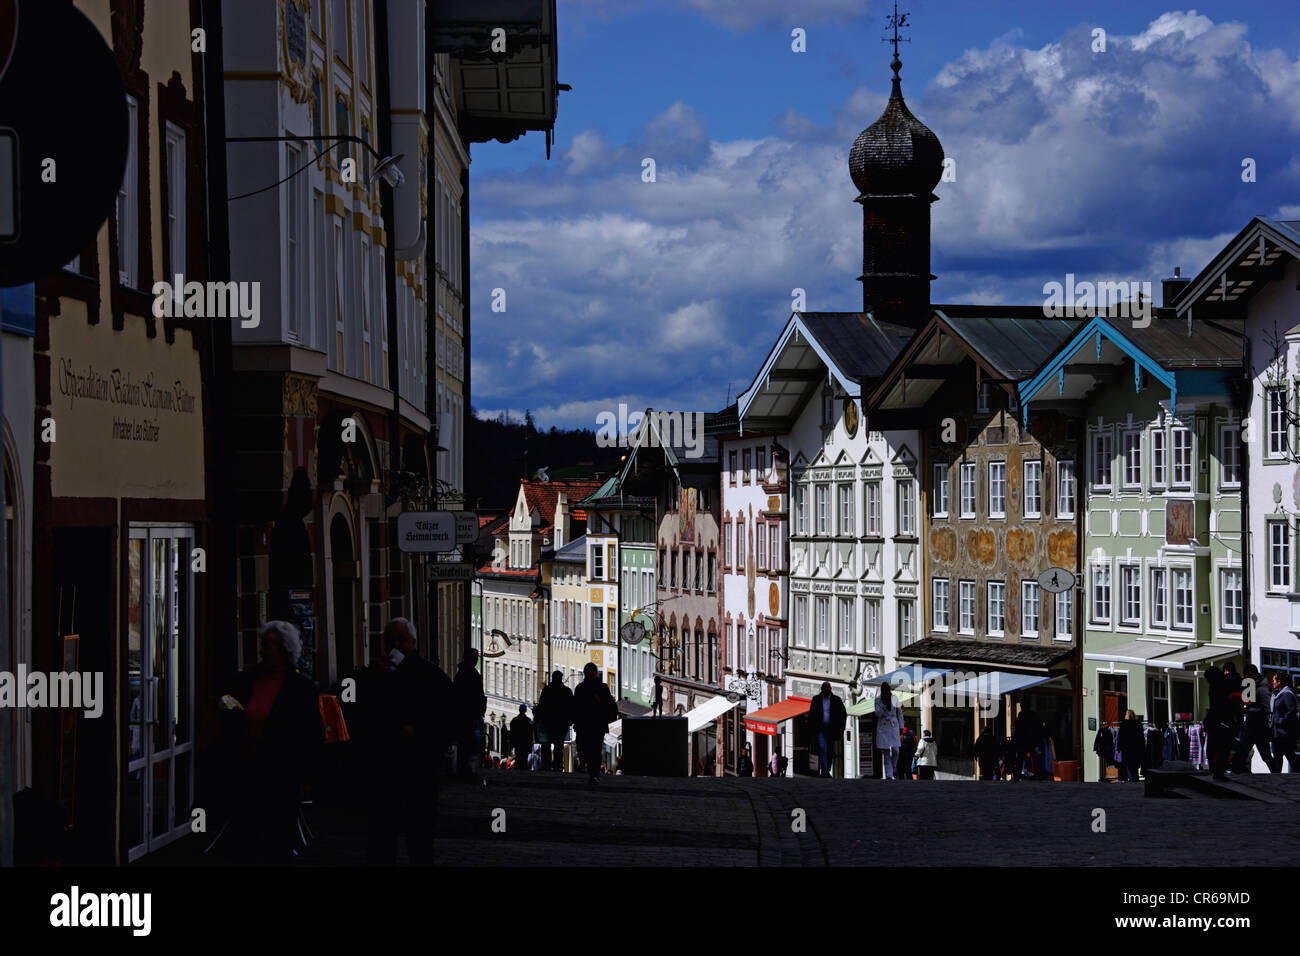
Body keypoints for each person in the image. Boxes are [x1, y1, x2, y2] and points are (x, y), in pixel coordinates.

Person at [224, 621, 324, 861]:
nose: (262, 651)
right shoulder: (247, 679)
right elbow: (231, 706)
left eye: (268, 646)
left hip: (281, 770)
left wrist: (308, 776)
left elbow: (311, 733)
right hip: (249, 765)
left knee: (278, 838)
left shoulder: (300, 687)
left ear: (284, 650)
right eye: (262, 645)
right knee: (248, 837)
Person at [366, 617, 454, 864]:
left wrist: (420, 731)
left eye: (402, 640)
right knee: (382, 837)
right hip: (384, 769)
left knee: (420, 836)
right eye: (390, 640)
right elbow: (361, 712)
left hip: (420, 768)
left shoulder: (431, 675)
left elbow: (449, 719)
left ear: (413, 643)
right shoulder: (373, 675)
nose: (396, 645)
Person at [572, 663, 618, 786]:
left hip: (589, 724)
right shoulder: (599, 688)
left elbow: (575, 708)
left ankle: (593, 773)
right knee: (592, 749)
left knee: (591, 749)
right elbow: (611, 707)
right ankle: (593, 773)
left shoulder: (583, 688)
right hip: (594, 724)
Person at [454, 648, 487, 781]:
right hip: (468, 714)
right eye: (475, 658)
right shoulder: (470, 674)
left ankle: (464, 769)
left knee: (466, 743)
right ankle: (465, 770)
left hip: (466, 714)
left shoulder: (462, 674)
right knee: (468, 744)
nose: (476, 660)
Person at [1234, 664, 1272, 774]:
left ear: (1254, 675)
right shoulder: (1251, 686)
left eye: (1249, 675)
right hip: (1251, 725)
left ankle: (1276, 773)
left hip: (1259, 726)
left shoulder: (1262, 688)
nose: (1247, 677)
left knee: (1264, 755)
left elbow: (1265, 708)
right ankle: (1236, 771)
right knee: (1243, 752)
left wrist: (1249, 709)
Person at [806, 681, 848, 777]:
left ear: (830, 689)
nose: (825, 691)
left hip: (831, 728)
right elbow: (811, 714)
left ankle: (827, 768)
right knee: (822, 748)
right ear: (821, 690)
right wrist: (811, 727)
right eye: (824, 689)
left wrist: (842, 727)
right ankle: (825, 770)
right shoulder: (816, 699)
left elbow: (843, 713)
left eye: (827, 689)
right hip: (820, 728)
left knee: (830, 750)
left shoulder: (836, 700)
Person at [537, 670, 575, 771]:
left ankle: (546, 765)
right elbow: (572, 707)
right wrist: (570, 720)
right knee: (559, 745)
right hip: (561, 723)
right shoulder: (567, 691)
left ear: (553, 678)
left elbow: (541, 706)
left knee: (546, 744)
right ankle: (557, 765)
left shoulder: (547, 690)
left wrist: (538, 719)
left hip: (548, 722)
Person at [1204, 663, 1235, 780]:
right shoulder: (1224, 685)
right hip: (1222, 720)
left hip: (1214, 720)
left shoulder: (1213, 688)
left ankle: (1215, 769)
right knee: (1223, 748)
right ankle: (1218, 771)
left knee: (1214, 747)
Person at [874, 682, 904, 779]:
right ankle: (889, 774)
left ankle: (894, 768)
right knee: (886, 751)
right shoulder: (878, 700)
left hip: (893, 725)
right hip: (883, 726)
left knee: (896, 750)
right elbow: (877, 714)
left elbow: (899, 712)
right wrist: (884, 706)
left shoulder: (894, 698)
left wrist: (901, 726)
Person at [1270, 672, 1297, 773]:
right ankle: (1276, 779)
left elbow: (1292, 710)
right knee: (1277, 758)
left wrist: (1280, 720)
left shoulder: (1287, 694)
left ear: (1279, 682)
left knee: (1291, 757)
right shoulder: (1276, 694)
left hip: (1284, 734)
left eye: (1274, 680)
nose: (1272, 682)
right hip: (1276, 733)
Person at [1011, 703, 1045, 781]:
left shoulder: (1021, 716)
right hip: (1031, 742)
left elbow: (1018, 730)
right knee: (1034, 757)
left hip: (1023, 742)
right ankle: (1037, 774)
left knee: (1021, 759)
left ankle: (1018, 775)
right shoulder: (1033, 715)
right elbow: (1039, 728)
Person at [1116, 709, 1145, 783]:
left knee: (1129, 766)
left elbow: (1120, 737)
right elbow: (1141, 737)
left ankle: (1132, 781)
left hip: (1127, 749)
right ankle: (1135, 780)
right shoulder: (1138, 724)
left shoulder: (1124, 724)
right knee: (1135, 766)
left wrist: (1118, 748)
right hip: (1136, 749)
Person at [510, 703, 534, 771]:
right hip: (525, 742)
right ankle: (523, 769)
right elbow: (530, 734)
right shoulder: (528, 721)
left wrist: (512, 743)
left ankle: (519, 768)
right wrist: (531, 743)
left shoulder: (514, 720)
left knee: (518, 756)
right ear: (525, 710)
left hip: (518, 742)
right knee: (524, 757)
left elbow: (512, 733)